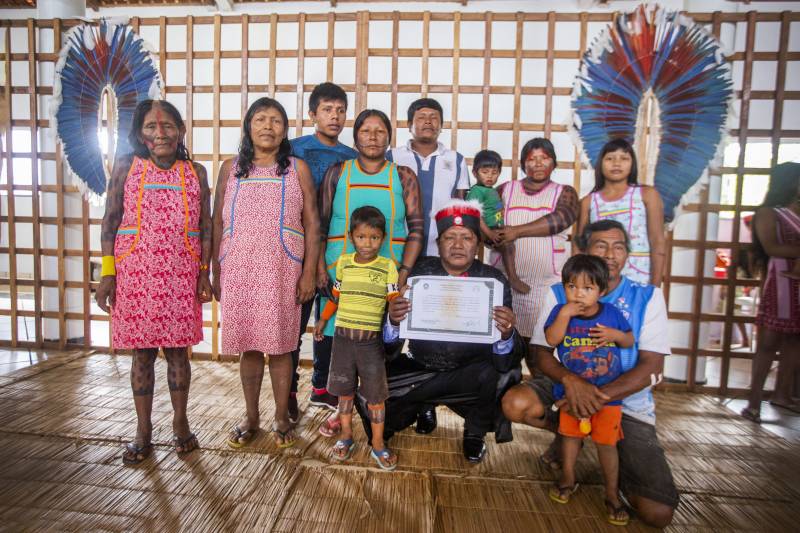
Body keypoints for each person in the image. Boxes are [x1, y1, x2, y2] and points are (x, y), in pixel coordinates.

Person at [501, 220, 679, 528]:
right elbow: (541, 352)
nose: (610, 254)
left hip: (625, 403)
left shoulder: (647, 297)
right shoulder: (560, 294)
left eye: (619, 247)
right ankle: (571, 437)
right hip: (567, 387)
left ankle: (605, 461)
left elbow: (652, 365)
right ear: (584, 251)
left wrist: (596, 397)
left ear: (627, 254)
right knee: (515, 404)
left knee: (657, 513)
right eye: (601, 246)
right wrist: (571, 382)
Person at [364, 200, 526, 463]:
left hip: (468, 373)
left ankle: (474, 433)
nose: (458, 245)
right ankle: (424, 404)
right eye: (450, 238)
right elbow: (390, 347)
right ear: (438, 244)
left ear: (478, 244)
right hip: (421, 366)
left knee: (502, 373)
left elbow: (505, 357)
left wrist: (506, 333)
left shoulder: (494, 281)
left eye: (467, 237)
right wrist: (393, 322)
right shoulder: (418, 274)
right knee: (374, 404)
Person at [96, 99, 212, 465]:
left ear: (181, 131)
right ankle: (142, 431)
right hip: (135, 277)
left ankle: (181, 423)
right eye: (151, 127)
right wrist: (108, 272)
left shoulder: (196, 171)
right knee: (142, 355)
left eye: (168, 127)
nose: (160, 133)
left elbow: (206, 228)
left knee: (179, 353)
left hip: (181, 276)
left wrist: (204, 273)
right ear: (139, 133)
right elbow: (110, 220)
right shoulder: (127, 167)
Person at [213, 97, 320, 449]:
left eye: (276, 120)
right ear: (248, 126)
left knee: (281, 347)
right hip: (240, 268)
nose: (268, 127)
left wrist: (308, 273)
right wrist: (215, 268)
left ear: (285, 130)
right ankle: (251, 415)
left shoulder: (296, 168)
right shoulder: (230, 169)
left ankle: (280, 415)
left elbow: (312, 223)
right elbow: (217, 221)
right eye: (260, 119)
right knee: (250, 348)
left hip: (282, 268)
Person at [316, 109, 424, 438]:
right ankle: (341, 410)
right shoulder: (338, 172)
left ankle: (372, 409)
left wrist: (404, 271)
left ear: (389, 137)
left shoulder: (403, 175)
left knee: (381, 346)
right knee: (342, 350)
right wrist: (321, 267)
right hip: (342, 274)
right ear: (356, 136)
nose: (373, 136)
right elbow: (320, 225)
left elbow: (417, 227)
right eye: (366, 130)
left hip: (386, 275)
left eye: (380, 131)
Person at [543, 254, 634, 526]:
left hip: (607, 398)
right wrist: (564, 314)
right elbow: (551, 339)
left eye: (587, 288)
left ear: (601, 291)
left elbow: (629, 340)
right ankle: (568, 478)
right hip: (571, 395)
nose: (578, 294)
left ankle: (611, 493)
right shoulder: (561, 311)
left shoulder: (612, 314)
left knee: (607, 444)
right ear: (564, 288)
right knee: (570, 437)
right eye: (572, 287)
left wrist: (614, 336)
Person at [313, 206, 400, 470]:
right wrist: (323, 319)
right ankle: (346, 436)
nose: (368, 243)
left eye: (374, 237)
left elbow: (393, 301)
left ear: (382, 239)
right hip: (342, 340)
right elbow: (336, 298)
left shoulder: (388, 267)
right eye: (362, 237)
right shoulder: (344, 263)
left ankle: (377, 444)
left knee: (375, 396)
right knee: (345, 393)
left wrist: (402, 306)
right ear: (352, 237)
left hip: (370, 344)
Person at [290, 83, 358, 415]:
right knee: (293, 321)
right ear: (312, 113)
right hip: (295, 250)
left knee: (328, 323)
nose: (335, 116)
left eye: (341, 110)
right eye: (328, 110)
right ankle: (288, 388)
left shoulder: (352, 157)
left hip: (337, 252)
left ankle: (321, 386)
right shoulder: (293, 149)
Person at [490, 138, 579, 343]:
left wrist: (517, 231)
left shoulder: (565, 192)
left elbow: (561, 218)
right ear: (523, 164)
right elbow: (488, 224)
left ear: (554, 163)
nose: (538, 163)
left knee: (541, 345)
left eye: (544, 158)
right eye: (532, 159)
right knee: (502, 340)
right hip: (506, 282)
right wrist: (498, 236)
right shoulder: (504, 190)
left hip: (546, 284)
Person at [741, 162, 800, 422]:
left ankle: (782, 394)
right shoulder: (768, 213)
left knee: (795, 340)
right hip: (781, 282)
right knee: (768, 342)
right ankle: (754, 401)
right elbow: (772, 247)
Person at [576, 138, 666, 286]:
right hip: (600, 276)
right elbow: (580, 246)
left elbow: (657, 241)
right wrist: (580, 282)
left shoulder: (647, 194)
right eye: (610, 158)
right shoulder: (589, 201)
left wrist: (655, 287)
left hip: (640, 275)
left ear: (633, 164)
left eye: (624, 158)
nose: (616, 163)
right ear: (600, 164)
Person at [387, 98, 470, 256]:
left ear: (442, 125)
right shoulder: (392, 157)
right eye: (421, 117)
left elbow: (461, 203)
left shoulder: (456, 160)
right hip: (398, 242)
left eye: (433, 118)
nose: (428, 122)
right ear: (409, 124)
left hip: (441, 247)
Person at [466, 149, 526, 293]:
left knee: (511, 241)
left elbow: (496, 208)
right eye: (485, 172)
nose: (490, 176)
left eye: (494, 173)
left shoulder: (491, 190)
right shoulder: (476, 191)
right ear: (475, 173)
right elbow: (475, 215)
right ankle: (513, 278)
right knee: (507, 245)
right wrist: (490, 234)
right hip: (482, 229)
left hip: (494, 227)